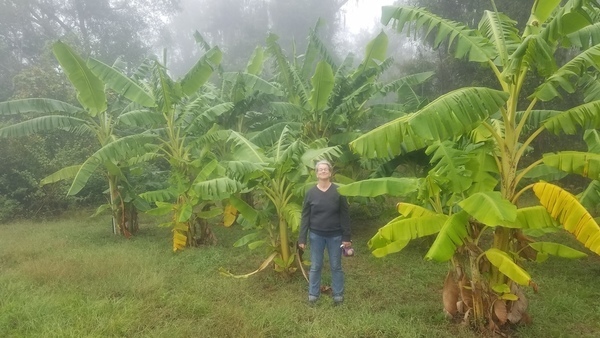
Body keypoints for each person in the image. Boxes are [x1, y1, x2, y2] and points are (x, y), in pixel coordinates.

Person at [298, 160, 351, 306]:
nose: (322, 171)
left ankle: (338, 295)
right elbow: (305, 217)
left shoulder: (339, 191)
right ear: (316, 173)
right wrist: (302, 238)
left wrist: (347, 237)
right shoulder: (310, 193)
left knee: (336, 265)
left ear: (330, 172)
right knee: (316, 265)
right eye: (320, 169)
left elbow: (345, 215)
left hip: (335, 235)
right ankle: (313, 295)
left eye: (325, 169)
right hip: (316, 235)